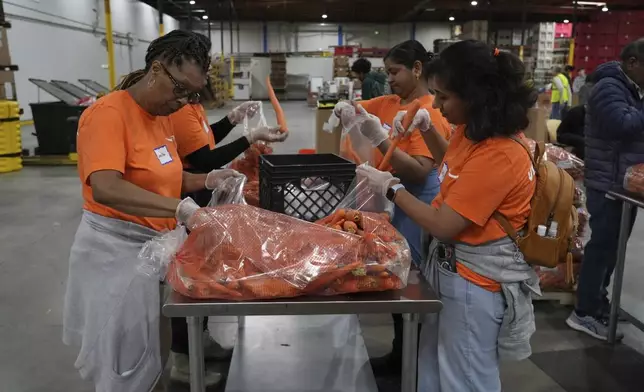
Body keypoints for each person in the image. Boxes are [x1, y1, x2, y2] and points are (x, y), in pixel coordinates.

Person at [62, 30, 244, 392]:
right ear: (158, 70)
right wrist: (182, 210)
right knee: (121, 357)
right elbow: (107, 187)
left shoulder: (161, 116)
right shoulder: (109, 113)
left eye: (192, 94)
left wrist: (206, 180)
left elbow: (165, 177)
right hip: (114, 255)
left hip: (153, 250)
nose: (184, 102)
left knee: (149, 349)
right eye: (180, 90)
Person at [357, 40, 538, 391]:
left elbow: (445, 225)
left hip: (476, 284)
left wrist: (391, 189)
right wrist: (427, 128)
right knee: (435, 366)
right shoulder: (471, 133)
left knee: (466, 376)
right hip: (451, 273)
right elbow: (450, 166)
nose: (437, 104)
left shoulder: (499, 153)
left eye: (443, 97)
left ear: (476, 96)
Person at [337, 39, 452, 377]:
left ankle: (410, 359)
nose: (389, 79)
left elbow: (418, 169)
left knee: (409, 281)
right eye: (386, 72)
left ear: (418, 69)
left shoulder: (428, 110)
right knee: (389, 273)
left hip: (413, 202)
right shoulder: (389, 102)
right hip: (385, 200)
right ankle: (400, 352)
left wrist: (380, 139)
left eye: (395, 72)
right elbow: (361, 106)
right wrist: (346, 106)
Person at [566, 38, 644, 341]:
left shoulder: (629, 88)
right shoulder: (608, 87)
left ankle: (598, 302)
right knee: (602, 249)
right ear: (633, 62)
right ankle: (584, 312)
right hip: (607, 182)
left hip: (621, 182)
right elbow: (621, 124)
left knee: (612, 250)